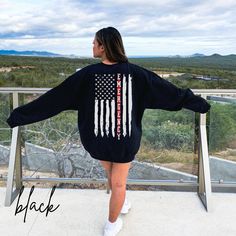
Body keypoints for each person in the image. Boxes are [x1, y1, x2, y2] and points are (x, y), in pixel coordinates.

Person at [6, 26, 211, 236]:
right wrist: (199, 104)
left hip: (96, 139)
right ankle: (113, 222)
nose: (92, 46)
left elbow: (54, 99)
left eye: (95, 42)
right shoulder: (137, 74)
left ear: (103, 47)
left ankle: (118, 207)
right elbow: (171, 93)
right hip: (124, 139)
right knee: (118, 181)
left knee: (113, 178)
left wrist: (19, 116)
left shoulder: (86, 75)